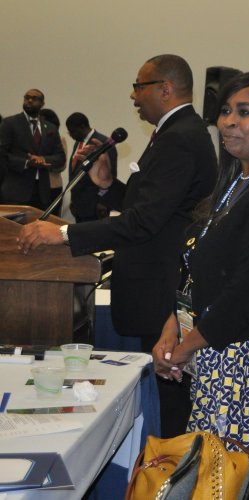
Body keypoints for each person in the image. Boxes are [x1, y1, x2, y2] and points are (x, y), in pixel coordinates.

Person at [17, 55, 218, 437]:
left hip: (160, 289)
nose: (133, 95)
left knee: (167, 409)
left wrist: (64, 234)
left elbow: (144, 222)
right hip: (157, 286)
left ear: (165, 88)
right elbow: (154, 208)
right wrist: (108, 185)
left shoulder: (178, 138)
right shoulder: (178, 132)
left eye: (139, 86)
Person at [152, 71, 249, 456]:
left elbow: (248, 291)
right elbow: (196, 270)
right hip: (211, 354)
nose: (228, 122)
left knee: (225, 475)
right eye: (225, 111)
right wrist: (172, 328)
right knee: (207, 471)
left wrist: (186, 346)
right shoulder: (233, 183)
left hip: (244, 363)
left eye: (245, 112)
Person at [0, 89, 66, 210]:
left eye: (35, 98)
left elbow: (60, 157)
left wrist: (42, 159)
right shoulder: (10, 123)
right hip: (15, 191)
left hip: (42, 192)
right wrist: (26, 162)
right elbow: (2, 154)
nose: (30, 100)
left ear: (42, 104)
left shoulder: (50, 128)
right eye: (27, 97)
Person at [65, 112, 118, 222]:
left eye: (72, 131)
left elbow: (110, 175)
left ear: (82, 127)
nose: (71, 135)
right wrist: (73, 200)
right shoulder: (78, 142)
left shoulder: (103, 143)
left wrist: (102, 202)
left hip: (95, 206)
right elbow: (76, 172)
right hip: (79, 205)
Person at [39, 108, 67, 216]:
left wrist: (42, 163)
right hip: (35, 186)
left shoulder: (60, 139)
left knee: (53, 218)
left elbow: (62, 165)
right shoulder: (32, 140)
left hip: (53, 186)